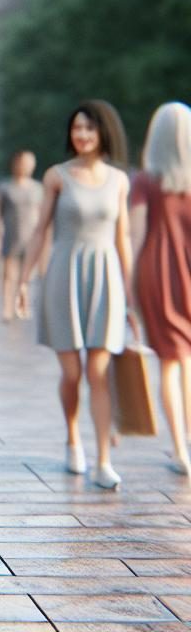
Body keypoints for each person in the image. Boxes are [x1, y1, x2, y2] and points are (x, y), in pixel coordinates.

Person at [19, 100, 136, 490]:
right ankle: (73, 437)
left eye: (88, 128)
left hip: (107, 279)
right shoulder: (56, 176)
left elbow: (123, 241)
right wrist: (22, 280)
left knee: (98, 373)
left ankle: (103, 459)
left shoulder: (119, 180)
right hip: (63, 277)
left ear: (104, 131)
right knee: (72, 374)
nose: (81, 135)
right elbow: (40, 232)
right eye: (76, 128)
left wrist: (132, 297)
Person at [129, 102, 191, 476]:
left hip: (159, 274)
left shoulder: (145, 181)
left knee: (170, 360)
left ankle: (179, 448)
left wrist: (128, 289)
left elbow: (135, 237)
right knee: (187, 360)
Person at [0, 150, 43, 321]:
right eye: (22, 162)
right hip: (11, 234)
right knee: (9, 275)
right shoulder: (5, 187)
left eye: (29, 163)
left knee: (27, 275)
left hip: (31, 237)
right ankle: (7, 307)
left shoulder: (38, 189)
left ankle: (23, 305)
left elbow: (42, 214)